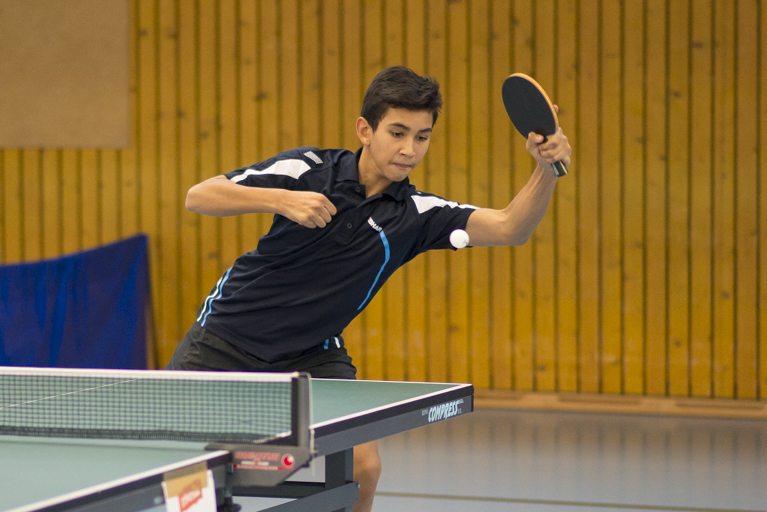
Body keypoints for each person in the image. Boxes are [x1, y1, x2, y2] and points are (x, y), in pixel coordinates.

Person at [166, 65, 571, 512]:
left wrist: (546, 168)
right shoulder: (309, 169)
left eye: (422, 136)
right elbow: (199, 195)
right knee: (176, 470)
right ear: (365, 130)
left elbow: (511, 227)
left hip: (311, 354)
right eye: (397, 133)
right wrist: (281, 199)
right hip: (225, 338)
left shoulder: (417, 215)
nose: (409, 149)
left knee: (363, 467)